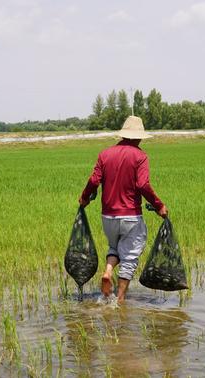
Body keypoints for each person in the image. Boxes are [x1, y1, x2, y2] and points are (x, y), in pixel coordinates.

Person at [79, 115, 167, 302]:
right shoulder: (140, 156)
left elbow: (94, 180)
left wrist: (85, 197)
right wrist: (159, 205)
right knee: (129, 258)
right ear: (138, 136)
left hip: (107, 217)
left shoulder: (105, 154)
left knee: (114, 247)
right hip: (131, 217)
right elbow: (143, 185)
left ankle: (108, 271)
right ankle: (119, 301)